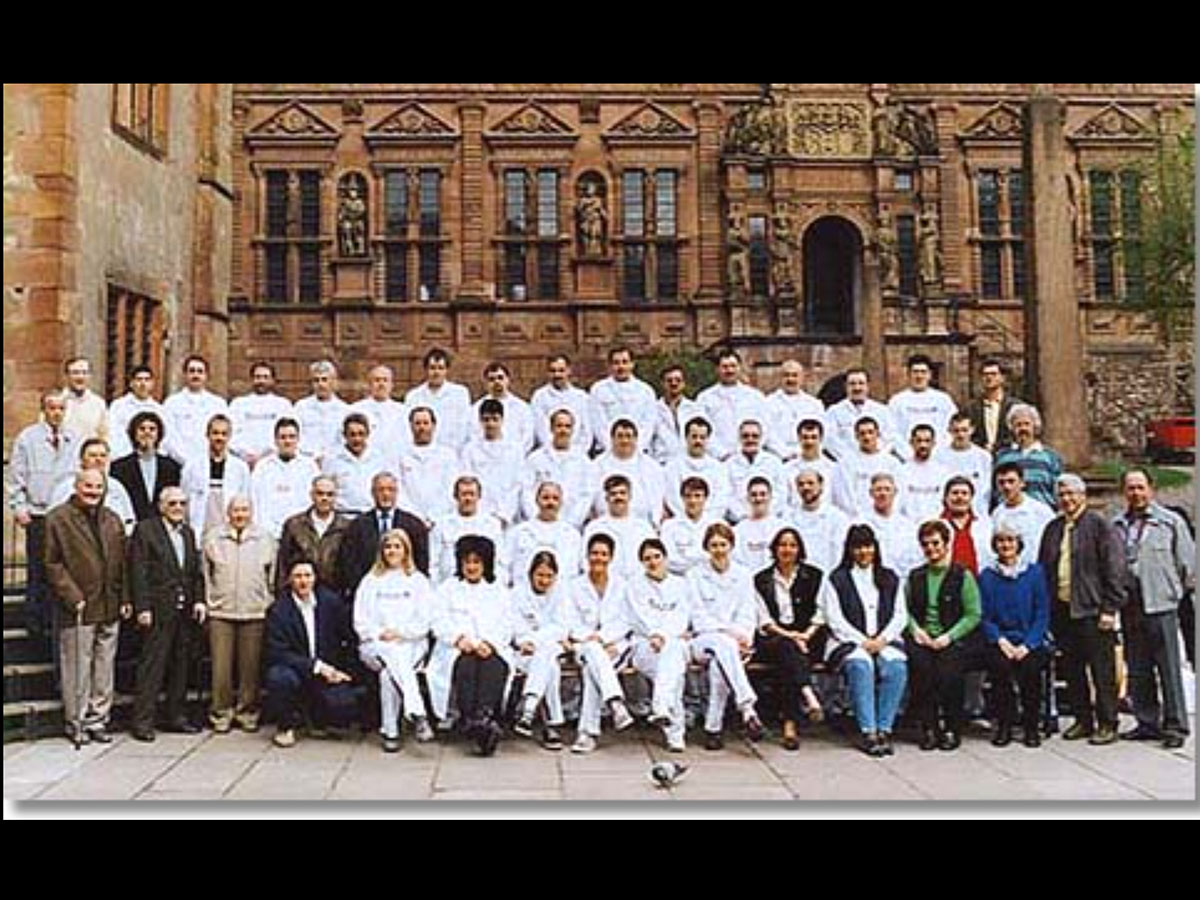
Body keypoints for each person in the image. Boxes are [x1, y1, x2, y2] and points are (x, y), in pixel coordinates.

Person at [1038, 474, 1127, 746]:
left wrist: (1109, 608)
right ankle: (1082, 719)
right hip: (1063, 609)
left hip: (1092, 609)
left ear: (1083, 496)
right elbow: (1044, 568)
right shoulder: (1053, 528)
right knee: (1073, 668)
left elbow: (1114, 569)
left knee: (1101, 670)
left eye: (1071, 494)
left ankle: (1108, 722)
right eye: (1062, 494)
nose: (1067, 499)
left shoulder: (1100, 526)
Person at [43, 469, 127, 744]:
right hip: (78, 606)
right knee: (77, 666)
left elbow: (123, 563)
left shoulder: (111, 519)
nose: (93, 491)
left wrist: (125, 598)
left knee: (104, 666)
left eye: (98, 486)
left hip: (109, 602)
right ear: (77, 486)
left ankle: (98, 719)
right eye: (88, 486)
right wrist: (72, 595)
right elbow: (52, 564)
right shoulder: (58, 518)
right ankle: (76, 721)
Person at [1112, 469, 1194, 750]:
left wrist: (1173, 592)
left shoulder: (1170, 522)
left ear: (1151, 489)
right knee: (1138, 667)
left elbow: (1187, 565)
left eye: (1140, 487)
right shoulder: (1118, 524)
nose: (1136, 493)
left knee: (1168, 667)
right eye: (1131, 488)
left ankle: (1176, 725)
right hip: (1130, 603)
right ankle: (1147, 721)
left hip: (1161, 603)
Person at [128, 486, 207, 742]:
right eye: (172, 503)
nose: (178, 508)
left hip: (184, 610)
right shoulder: (146, 530)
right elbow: (138, 570)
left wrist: (199, 600)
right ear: (161, 506)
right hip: (157, 609)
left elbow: (194, 572)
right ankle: (143, 721)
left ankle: (176, 716)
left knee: (180, 665)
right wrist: (142, 607)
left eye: (183, 503)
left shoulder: (188, 533)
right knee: (153, 665)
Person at [825, 525, 909, 758]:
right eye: (858, 547)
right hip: (849, 641)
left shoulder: (889, 577)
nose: (863, 552)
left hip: (885, 640)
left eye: (868, 546)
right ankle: (868, 731)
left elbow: (900, 614)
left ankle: (884, 728)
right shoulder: (837, 578)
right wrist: (862, 641)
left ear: (875, 548)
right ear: (850, 550)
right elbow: (834, 618)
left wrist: (882, 639)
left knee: (896, 667)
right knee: (861, 666)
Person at [264, 558, 363, 749]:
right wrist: (317, 667)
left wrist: (343, 672)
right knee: (279, 677)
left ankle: (318, 719)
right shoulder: (278, 610)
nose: (303, 581)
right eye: (298, 576)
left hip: (327, 672)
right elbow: (279, 653)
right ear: (290, 580)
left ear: (315, 578)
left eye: (307, 576)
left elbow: (349, 639)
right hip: (295, 671)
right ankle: (286, 727)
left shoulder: (331, 603)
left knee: (345, 706)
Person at [354, 529, 437, 752]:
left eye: (397, 546)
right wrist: (379, 633)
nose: (392, 551)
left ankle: (391, 732)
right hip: (375, 644)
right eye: (388, 547)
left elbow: (425, 621)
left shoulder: (418, 581)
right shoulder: (370, 581)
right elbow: (360, 621)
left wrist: (401, 632)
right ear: (381, 551)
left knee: (388, 673)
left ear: (406, 550)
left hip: (411, 643)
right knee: (392, 655)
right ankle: (417, 713)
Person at [429, 536, 514, 755]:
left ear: (486, 563)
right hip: (458, 648)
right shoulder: (447, 589)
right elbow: (437, 620)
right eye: (467, 562)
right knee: (466, 665)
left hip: (490, 648)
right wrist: (458, 638)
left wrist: (490, 643)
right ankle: (471, 719)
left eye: (477, 562)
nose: (472, 567)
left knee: (494, 665)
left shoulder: (499, 591)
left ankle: (483, 717)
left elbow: (507, 623)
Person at [904, 521, 982, 752]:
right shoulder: (915, 576)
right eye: (926, 544)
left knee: (949, 673)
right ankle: (928, 727)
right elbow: (905, 610)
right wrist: (916, 630)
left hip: (953, 638)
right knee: (921, 670)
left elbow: (973, 614)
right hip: (922, 638)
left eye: (936, 543)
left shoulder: (962, 575)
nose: (931, 548)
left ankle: (951, 727)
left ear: (947, 544)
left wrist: (948, 637)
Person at [8, 390, 79, 642]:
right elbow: (17, 475)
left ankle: (54, 621)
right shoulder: (28, 438)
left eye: (60, 408)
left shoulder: (74, 438)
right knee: (38, 568)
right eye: (51, 408)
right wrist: (19, 506)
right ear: (44, 410)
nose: (56, 413)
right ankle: (34, 623)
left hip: (64, 515)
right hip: (37, 513)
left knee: (60, 569)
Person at [687, 523, 764, 751]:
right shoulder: (695, 575)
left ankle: (714, 728)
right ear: (706, 548)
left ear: (731, 546)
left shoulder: (742, 575)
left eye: (723, 544)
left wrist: (742, 637)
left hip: (732, 644)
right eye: (714, 545)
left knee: (720, 663)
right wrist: (726, 632)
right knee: (723, 645)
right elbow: (696, 614)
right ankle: (746, 704)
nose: (719, 550)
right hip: (702, 640)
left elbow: (747, 612)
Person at [202, 495, 275, 734]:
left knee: (250, 668)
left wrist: (267, 601)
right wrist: (209, 601)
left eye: (245, 510)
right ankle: (221, 713)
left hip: (254, 611)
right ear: (228, 513)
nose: (240, 515)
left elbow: (272, 575)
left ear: (252, 512)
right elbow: (204, 574)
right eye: (236, 510)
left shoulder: (265, 539)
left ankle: (247, 712)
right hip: (221, 611)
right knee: (220, 669)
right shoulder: (213, 538)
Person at [753, 528, 828, 750]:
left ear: (800, 549)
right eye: (782, 545)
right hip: (775, 637)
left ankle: (790, 724)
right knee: (787, 649)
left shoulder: (814, 576)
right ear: (775, 549)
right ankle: (806, 694)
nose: (787, 550)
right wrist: (791, 635)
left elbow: (821, 612)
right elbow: (763, 619)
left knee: (790, 659)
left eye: (792, 545)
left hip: (809, 636)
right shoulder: (762, 579)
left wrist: (804, 635)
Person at [563, 534, 635, 754]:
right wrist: (591, 638)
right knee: (593, 655)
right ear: (587, 556)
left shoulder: (622, 586)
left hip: (615, 647)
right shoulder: (573, 586)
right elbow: (569, 620)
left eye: (603, 554)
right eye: (594, 553)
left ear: (611, 557)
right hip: (584, 644)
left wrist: (603, 638)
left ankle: (587, 733)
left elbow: (626, 619)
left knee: (592, 670)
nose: (598, 558)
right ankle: (615, 702)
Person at [979, 526, 1050, 748]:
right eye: (1000, 541)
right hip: (1001, 640)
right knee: (999, 669)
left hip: (1029, 640)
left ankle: (1031, 726)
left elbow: (1042, 613)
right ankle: (1004, 725)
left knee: (1031, 670)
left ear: (1018, 544)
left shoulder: (1035, 573)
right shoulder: (987, 576)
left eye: (1010, 540)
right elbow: (985, 615)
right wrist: (1001, 641)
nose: (1006, 545)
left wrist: (1028, 645)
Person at [625, 539, 692, 753]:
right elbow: (637, 616)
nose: (652, 562)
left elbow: (682, 617)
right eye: (647, 559)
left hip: (672, 642)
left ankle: (662, 709)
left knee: (671, 659)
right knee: (673, 675)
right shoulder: (634, 585)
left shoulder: (681, 585)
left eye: (656, 557)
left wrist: (663, 634)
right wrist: (654, 634)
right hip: (645, 644)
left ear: (665, 557)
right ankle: (674, 731)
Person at [336, 472, 430, 599]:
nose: (386, 494)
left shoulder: (414, 525)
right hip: (368, 592)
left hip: (406, 592)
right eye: (381, 490)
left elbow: (421, 562)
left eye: (390, 490)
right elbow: (349, 564)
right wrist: (367, 587)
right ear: (373, 493)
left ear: (397, 493)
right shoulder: (357, 526)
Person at [510, 552, 571, 751]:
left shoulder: (561, 594)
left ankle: (529, 708)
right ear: (530, 574)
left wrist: (536, 639)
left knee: (546, 657)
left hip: (548, 651)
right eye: (540, 575)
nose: (544, 580)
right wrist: (524, 641)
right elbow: (516, 628)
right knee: (549, 665)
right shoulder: (517, 594)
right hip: (523, 654)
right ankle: (551, 724)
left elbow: (562, 626)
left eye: (548, 576)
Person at [519, 409, 597, 529]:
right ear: (551, 428)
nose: (563, 430)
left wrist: (572, 523)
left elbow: (587, 495)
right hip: (539, 523)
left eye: (567, 426)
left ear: (572, 430)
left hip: (572, 525)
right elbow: (526, 491)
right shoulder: (535, 459)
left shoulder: (583, 461)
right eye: (559, 425)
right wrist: (537, 518)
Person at [180, 414, 252, 538]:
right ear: (207, 435)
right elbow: (184, 500)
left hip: (229, 532)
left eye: (224, 434)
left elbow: (245, 501)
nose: (219, 437)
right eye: (215, 433)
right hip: (199, 530)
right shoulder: (192, 466)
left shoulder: (240, 468)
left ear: (230, 436)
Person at [277, 476, 351, 593]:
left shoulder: (347, 527)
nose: (324, 498)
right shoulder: (294, 525)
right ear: (312, 495)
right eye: (320, 494)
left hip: (335, 595)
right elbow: (283, 565)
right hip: (300, 593)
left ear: (336, 497)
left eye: (329, 494)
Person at [431, 476, 510, 586]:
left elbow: (501, 561)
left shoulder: (492, 525)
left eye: (472, 494)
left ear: (479, 496)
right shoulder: (442, 525)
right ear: (455, 496)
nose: (468, 499)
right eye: (464, 494)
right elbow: (433, 563)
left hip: (485, 589)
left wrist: (497, 586)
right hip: (450, 589)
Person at [250, 418, 321, 539]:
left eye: (292, 436)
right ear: (275, 440)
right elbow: (254, 500)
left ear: (298, 439)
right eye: (282, 437)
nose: (287, 441)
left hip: (301, 535)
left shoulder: (310, 467)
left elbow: (316, 500)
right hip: (269, 535)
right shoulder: (263, 467)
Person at [49, 438, 136, 535]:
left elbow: (129, 520)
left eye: (103, 455)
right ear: (82, 459)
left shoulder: (117, 487)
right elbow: (52, 522)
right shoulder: (66, 487)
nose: (98, 459)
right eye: (93, 455)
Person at [460, 398, 525, 526]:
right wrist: (481, 512)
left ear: (502, 420)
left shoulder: (515, 449)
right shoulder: (470, 449)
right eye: (486, 419)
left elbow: (517, 485)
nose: (490, 424)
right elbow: (468, 482)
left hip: (507, 515)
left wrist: (504, 514)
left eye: (495, 419)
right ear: (480, 421)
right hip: (480, 515)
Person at [697, 348, 770, 462]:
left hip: (752, 457)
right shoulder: (705, 398)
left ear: (740, 367)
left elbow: (765, 427)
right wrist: (722, 454)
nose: (729, 370)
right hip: (718, 459)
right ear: (717, 369)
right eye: (725, 367)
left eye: (733, 366)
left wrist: (752, 450)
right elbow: (702, 431)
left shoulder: (755, 396)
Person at [110, 410, 182, 523]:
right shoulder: (119, 467)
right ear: (134, 434)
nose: (147, 432)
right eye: (142, 429)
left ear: (159, 434)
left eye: (152, 429)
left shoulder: (171, 467)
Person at [508, 482, 582, 589]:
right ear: (536, 500)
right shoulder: (518, 532)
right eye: (545, 498)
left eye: (555, 498)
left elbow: (577, 572)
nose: (550, 502)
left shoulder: (572, 535)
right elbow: (505, 566)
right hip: (523, 596)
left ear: (561, 502)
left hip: (562, 598)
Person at [591, 419, 667, 525]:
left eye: (628, 436)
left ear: (636, 439)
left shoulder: (651, 467)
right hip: (605, 523)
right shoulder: (597, 466)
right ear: (612, 439)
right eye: (620, 436)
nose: (625, 440)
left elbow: (658, 500)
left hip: (642, 523)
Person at [582, 475, 657, 582]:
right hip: (608, 586)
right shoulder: (594, 527)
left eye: (622, 493)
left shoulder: (644, 527)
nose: (618, 497)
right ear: (606, 498)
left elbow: (655, 557)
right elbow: (585, 560)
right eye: (613, 494)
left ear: (630, 496)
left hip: (641, 585)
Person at [398, 406, 461, 528]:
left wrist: (434, 516)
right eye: (417, 423)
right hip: (410, 521)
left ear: (433, 425)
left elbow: (451, 488)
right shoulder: (400, 455)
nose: (422, 427)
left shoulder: (448, 455)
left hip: (441, 520)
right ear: (410, 426)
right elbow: (398, 490)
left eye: (426, 423)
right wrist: (416, 517)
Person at [162, 354, 229, 469]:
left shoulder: (218, 404)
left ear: (206, 375)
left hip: (211, 462)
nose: (196, 375)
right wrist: (186, 460)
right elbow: (168, 437)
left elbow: (224, 434)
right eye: (191, 371)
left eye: (200, 371)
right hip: (179, 464)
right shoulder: (172, 403)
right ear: (185, 375)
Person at [994, 404, 1063, 512]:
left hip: (1042, 514)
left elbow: (1058, 489)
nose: (1023, 428)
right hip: (1010, 514)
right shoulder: (1002, 457)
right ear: (1011, 428)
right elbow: (996, 490)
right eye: (1018, 425)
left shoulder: (1050, 457)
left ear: (1035, 426)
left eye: (1027, 424)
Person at [589, 347, 658, 455]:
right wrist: (614, 449)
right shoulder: (598, 390)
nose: (621, 367)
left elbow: (648, 424)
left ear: (632, 364)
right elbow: (598, 423)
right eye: (616, 363)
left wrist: (635, 448)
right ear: (609, 365)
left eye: (625, 362)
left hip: (639, 452)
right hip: (606, 452)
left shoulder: (646, 391)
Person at [832, 417, 905, 517]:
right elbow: (844, 496)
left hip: (887, 518)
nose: (867, 437)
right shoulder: (846, 463)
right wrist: (861, 517)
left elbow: (900, 493)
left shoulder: (892, 463)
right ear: (856, 436)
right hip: (857, 520)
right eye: (862, 433)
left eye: (870, 432)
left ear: (878, 434)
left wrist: (887, 514)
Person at [404, 348, 473, 453]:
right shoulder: (413, 396)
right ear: (426, 370)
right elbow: (408, 428)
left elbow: (466, 426)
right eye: (432, 368)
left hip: (453, 451)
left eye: (440, 368)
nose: (436, 372)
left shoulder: (460, 394)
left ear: (446, 370)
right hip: (422, 452)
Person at [888, 354, 958, 456]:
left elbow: (952, 428)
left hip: (939, 457)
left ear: (930, 375)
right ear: (908, 374)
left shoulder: (943, 400)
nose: (919, 376)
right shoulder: (897, 401)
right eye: (915, 372)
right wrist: (907, 453)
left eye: (923, 372)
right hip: (907, 458)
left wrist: (938, 451)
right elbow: (892, 432)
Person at [662, 416, 729, 522]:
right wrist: (689, 518)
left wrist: (704, 520)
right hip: (681, 521)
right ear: (686, 438)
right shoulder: (672, 467)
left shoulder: (719, 468)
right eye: (694, 436)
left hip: (711, 522)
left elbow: (721, 499)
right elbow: (672, 498)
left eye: (702, 437)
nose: (698, 441)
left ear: (708, 439)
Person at [229, 361, 295, 469]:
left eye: (265, 377)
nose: (261, 381)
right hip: (242, 462)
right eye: (257, 377)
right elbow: (230, 433)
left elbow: (290, 434)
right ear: (251, 379)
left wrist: (265, 456)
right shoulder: (238, 404)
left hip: (274, 463)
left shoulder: (283, 405)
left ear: (273, 380)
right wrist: (244, 454)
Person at [825, 368, 900, 462]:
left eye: (861, 383)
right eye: (852, 384)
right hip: (846, 464)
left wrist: (875, 454)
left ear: (868, 386)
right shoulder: (834, 412)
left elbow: (890, 438)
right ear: (846, 386)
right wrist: (850, 458)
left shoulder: (882, 411)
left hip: (877, 463)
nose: (857, 388)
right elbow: (830, 440)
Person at [321, 413, 389, 515]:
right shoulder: (332, 460)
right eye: (352, 434)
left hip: (371, 516)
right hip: (343, 516)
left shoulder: (379, 459)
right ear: (344, 435)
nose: (357, 439)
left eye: (361, 434)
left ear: (368, 434)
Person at [858, 473, 922, 580]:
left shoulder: (908, 526)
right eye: (878, 489)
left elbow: (915, 558)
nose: (883, 493)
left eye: (887, 489)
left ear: (895, 492)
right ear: (871, 493)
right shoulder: (860, 522)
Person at [991, 462, 1054, 570]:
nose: (1006, 486)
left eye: (1011, 481)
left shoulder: (1041, 511)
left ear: (1022, 483)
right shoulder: (996, 514)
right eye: (1001, 482)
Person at [790, 467, 851, 574]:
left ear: (821, 486)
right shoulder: (788, 517)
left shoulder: (837, 518)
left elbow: (839, 553)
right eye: (801, 484)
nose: (806, 487)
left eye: (810, 483)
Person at [725, 419, 788, 523]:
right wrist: (743, 516)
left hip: (771, 520)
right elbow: (727, 496)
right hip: (739, 521)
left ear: (761, 438)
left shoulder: (774, 462)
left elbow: (781, 494)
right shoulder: (728, 464)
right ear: (739, 438)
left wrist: (765, 514)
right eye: (745, 436)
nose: (750, 439)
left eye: (755, 436)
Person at [530, 354, 594, 454]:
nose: (557, 375)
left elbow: (587, 430)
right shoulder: (539, 396)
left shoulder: (582, 397)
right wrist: (555, 449)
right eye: (553, 371)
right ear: (547, 372)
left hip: (577, 454)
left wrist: (577, 452)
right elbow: (540, 429)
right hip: (548, 453)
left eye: (561, 370)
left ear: (569, 371)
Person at [765, 360, 825, 462]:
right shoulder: (768, 403)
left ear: (802, 378)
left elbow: (822, 432)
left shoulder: (814, 404)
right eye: (786, 375)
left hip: (808, 456)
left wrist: (804, 452)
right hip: (777, 458)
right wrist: (785, 453)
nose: (790, 379)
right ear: (780, 378)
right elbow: (767, 433)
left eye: (795, 375)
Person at [294, 360, 351, 465]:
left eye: (324, 379)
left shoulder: (345, 410)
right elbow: (296, 436)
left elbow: (345, 440)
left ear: (333, 381)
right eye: (316, 380)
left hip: (336, 461)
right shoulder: (301, 407)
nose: (320, 384)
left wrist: (329, 457)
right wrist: (313, 456)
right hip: (307, 461)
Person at [935, 412, 993, 516]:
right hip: (946, 513)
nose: (960, 435)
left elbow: (986, 489)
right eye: (956, 431)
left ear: (972, 430)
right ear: (949, 431)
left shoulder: (983, 456)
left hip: (977, 513)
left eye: (964, 430)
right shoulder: (939, 456)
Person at [661, 477, 722, 575]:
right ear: (682, 498)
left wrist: (687, 557)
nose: (692, 501)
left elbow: (721, 557)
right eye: (688, 496)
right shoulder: (669, 526)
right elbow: (669, 560)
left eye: (697, 496)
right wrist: (702, 560)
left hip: (710, 579)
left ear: (706, 498)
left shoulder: (718, 524)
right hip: (680, 580)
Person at [470, 363, 534, 454]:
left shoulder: (522, 408)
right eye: (491, 379)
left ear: (508, 379)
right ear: (485, 383)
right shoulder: (476, 408)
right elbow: (474, 435)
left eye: (500, 378)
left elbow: (528, 437)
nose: (497, 382)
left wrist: (514, 455)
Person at [733, 477, 791, 573]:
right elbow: (737, 561)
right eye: (754, 495)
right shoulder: (738, 530)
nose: (758, 498)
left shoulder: (782, 527)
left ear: (771, 497)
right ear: (747, 498)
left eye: (763, 494)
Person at [107, 364, 165, 460]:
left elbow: (162, 436)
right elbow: (114, 434)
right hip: (124, 457)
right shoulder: (119, 406)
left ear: (152, 384)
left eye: (147, 380)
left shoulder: (158, 409)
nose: (143, 383)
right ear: (131, 383)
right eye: (139, 379)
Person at [350, 365, 408, 458]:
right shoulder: (356, 409)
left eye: (385, 380)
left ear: (392, 385)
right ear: (369, 384)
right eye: (377, 380)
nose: (381, 384)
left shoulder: (402, 411)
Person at [899, 424, 953, 523]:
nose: (923, 445)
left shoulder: (943, 472)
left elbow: (947, 503)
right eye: (919, 441)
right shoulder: (900, 471)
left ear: (934, 443)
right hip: (908, 526)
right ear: (911, 443)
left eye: (927, 441)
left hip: (937, 526)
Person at [966, 358, 1020, 454]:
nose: (989, 377)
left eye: (993, 374)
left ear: (1002, 378)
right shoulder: (971, 408)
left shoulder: (1015, 407)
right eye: (985, 374)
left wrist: (997, 447)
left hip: (1008, 456)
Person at [650, 365, 703, 464]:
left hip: (689, 463)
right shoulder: (652, 409)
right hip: (662, 463)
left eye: (678, 380)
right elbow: (647, 439)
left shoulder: (695, 408)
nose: (674, 383)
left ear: (684, 383)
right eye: (669, 380)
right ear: (662, 383)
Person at [782, 419, 838, 509]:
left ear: (821, 439)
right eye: (805, 437)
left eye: (813, 437)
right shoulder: (786, 469)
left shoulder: (834, 469)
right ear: (799, 439)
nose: (809, 442)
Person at [60, 357, 109, 443]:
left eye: (85, 373)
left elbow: (104, 435)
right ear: (66, 376)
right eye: (75, 373)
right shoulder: (57, 401)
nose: (80, 377)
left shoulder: (98, 403)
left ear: (90, 376)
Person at [576, 180, 608, 255]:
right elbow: (578, 210)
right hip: (586, 220)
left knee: (595, 235)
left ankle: (595, 251)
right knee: (586, 235)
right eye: (589, 189)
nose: (590, 191)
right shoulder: (583, 200)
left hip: (595, 220)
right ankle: (586, 251)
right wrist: (586, 204)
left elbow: (601, 210)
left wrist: (604, 215)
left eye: (592, 189)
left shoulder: (598, 200)